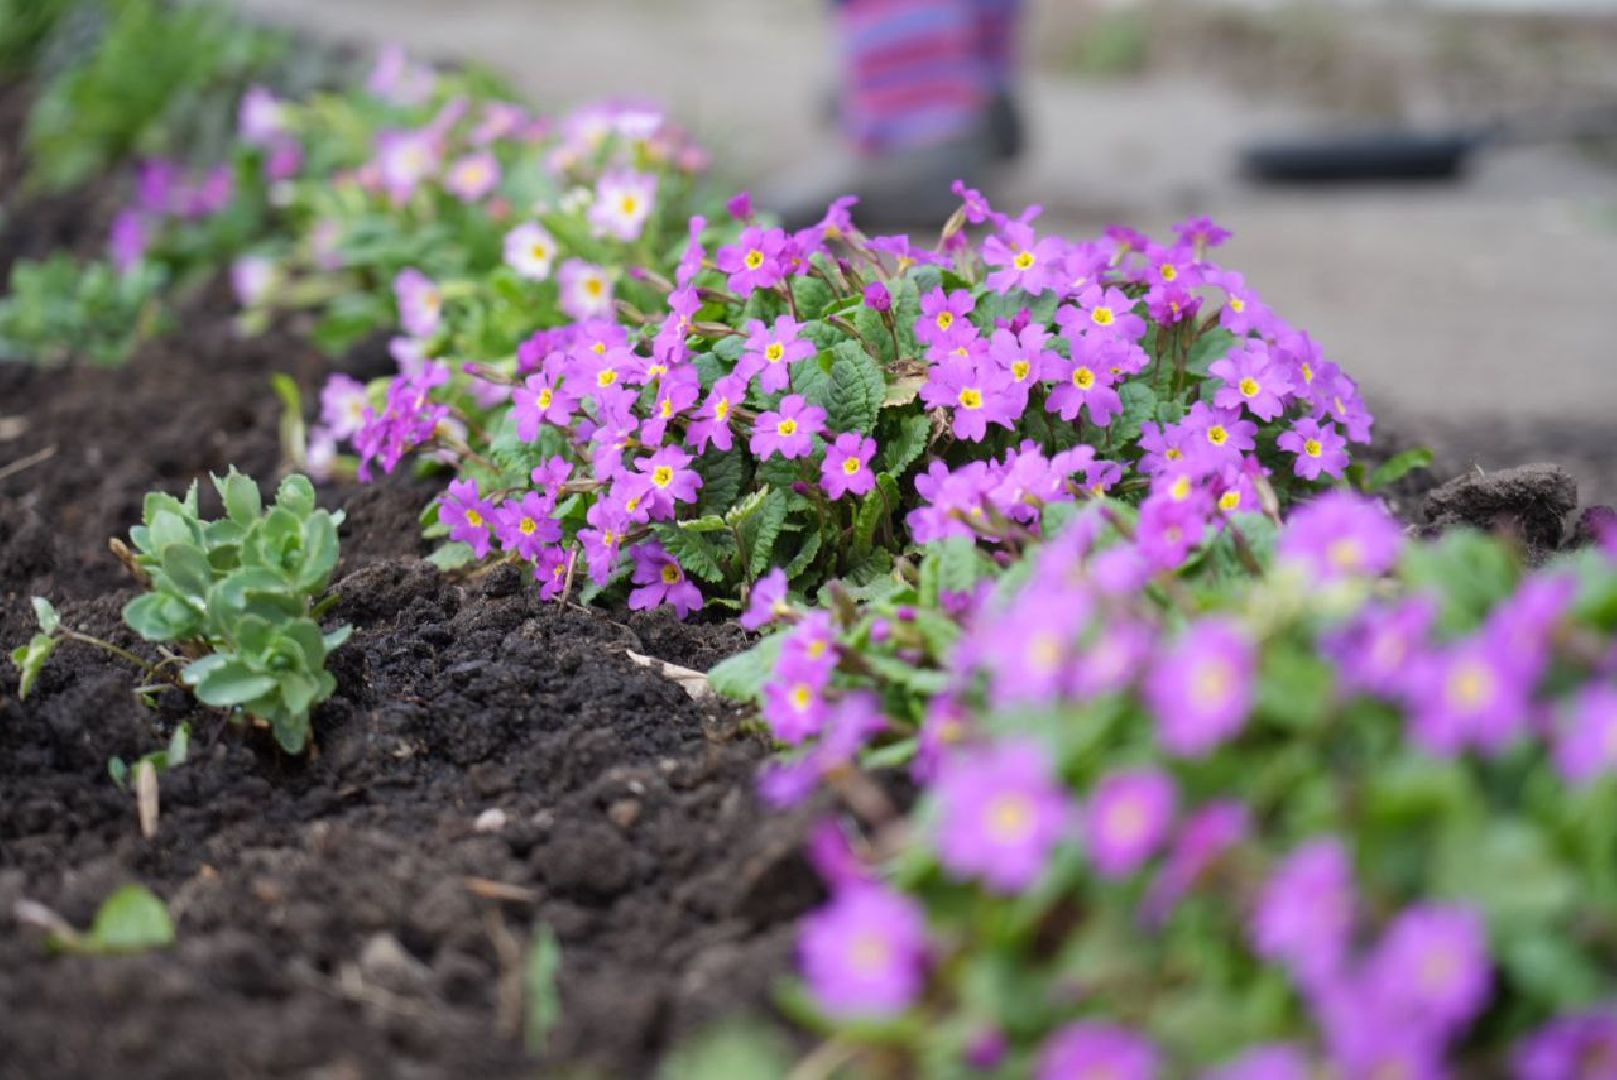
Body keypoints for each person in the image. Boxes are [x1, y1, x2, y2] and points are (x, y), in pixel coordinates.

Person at [764, 0, 1026, 229]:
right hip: (981, 104)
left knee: (771, 211)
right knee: (830, 102)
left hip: (923, 142)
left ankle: (908, 117)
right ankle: (970, 97)